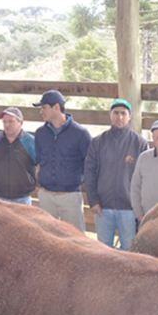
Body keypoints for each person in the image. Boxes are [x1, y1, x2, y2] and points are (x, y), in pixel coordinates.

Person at [83, 99, 149, 249]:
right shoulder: (98, 142)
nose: (120, 117)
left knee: (128, 248)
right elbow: (89, 172)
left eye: (123, 113)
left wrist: (139, 208)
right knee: (104, 249)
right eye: (116, 113)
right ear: (110, 115)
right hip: (103, 207)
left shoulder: (140, 143)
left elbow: (145, 177)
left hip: (129, 208)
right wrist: (93, 201)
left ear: (130, 116)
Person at [33, 90, 92, 231]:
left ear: (57, 107)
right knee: (46, 239)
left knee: (75, 240)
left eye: (44, 107)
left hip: (70, 197)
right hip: (46, 195)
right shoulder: (40, 133)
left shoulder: (81, 134)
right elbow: (39, 160)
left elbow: (90, 165)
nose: (41, 112)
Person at [0, 106, 37, 206]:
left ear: (21, 123)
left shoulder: (30, 142)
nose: (7, 125)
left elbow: (42, 164)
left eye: (11, 121)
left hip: (23, 198)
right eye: (4, 122)